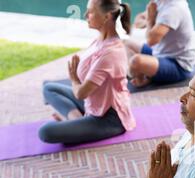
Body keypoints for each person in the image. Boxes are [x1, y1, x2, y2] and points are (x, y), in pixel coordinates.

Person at [39, 0, 136, 145]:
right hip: (92, 103)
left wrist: (74, 79)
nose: (86, 15)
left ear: (107, 16)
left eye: (90, 12)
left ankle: (76, 122)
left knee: (46, 131)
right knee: (49, 88)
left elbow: (81, 93)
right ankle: (78, 121)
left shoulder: (111, 53)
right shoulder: (99, 41)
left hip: (108, 118)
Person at [124, 0, 195, 87]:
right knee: (125, 43)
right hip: (159, 53)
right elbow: (138, 21)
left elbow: (151, 41)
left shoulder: (173, 9)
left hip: (178, 65)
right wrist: (151, 20)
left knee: (135, 62)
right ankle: (142, 73)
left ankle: (136, 77)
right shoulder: (160, 2)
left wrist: (151, 20)